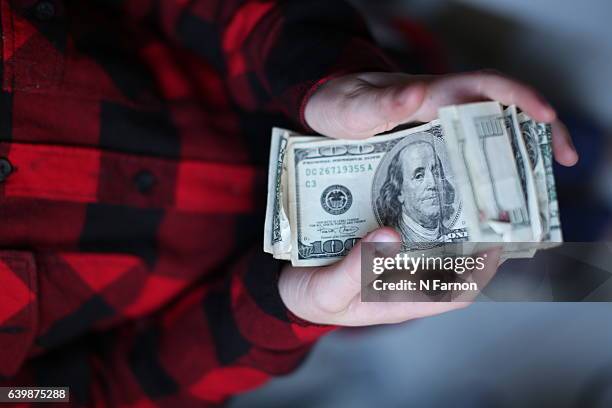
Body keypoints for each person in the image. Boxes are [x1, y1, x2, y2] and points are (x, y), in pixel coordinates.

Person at [0, 0, 578, 406]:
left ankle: (572, 145)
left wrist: (320, 74)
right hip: (308, 294)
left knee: (528, 121)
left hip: (333, 75)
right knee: (519, 269)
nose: (428, 186)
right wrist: (290, 309)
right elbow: (83, 397)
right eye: (418, 176)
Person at [376, 140, 456, 242]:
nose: (433, 184)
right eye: (419, 176)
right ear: (399, 192)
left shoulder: (452, 235)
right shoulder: (389, 240)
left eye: (436, 173)